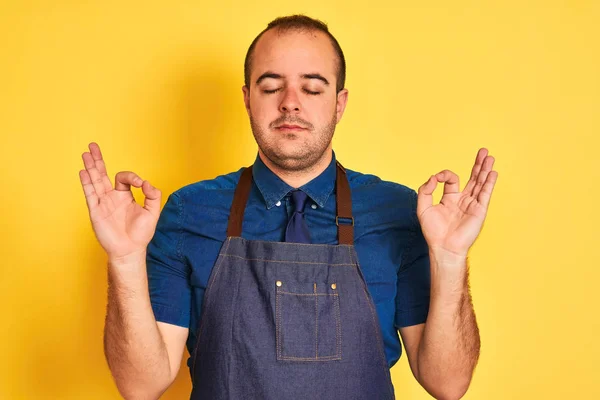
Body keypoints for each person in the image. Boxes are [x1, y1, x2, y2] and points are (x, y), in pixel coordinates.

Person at [79, 14, 498, 400]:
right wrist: (124, 259)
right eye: (271, 86)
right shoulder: (188, 211)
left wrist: (450, 259)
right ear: (247, 98)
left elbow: (448, 383)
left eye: (312, 87)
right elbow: (141, 385)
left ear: (340, 102)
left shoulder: (398, 212)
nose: (290, 103)